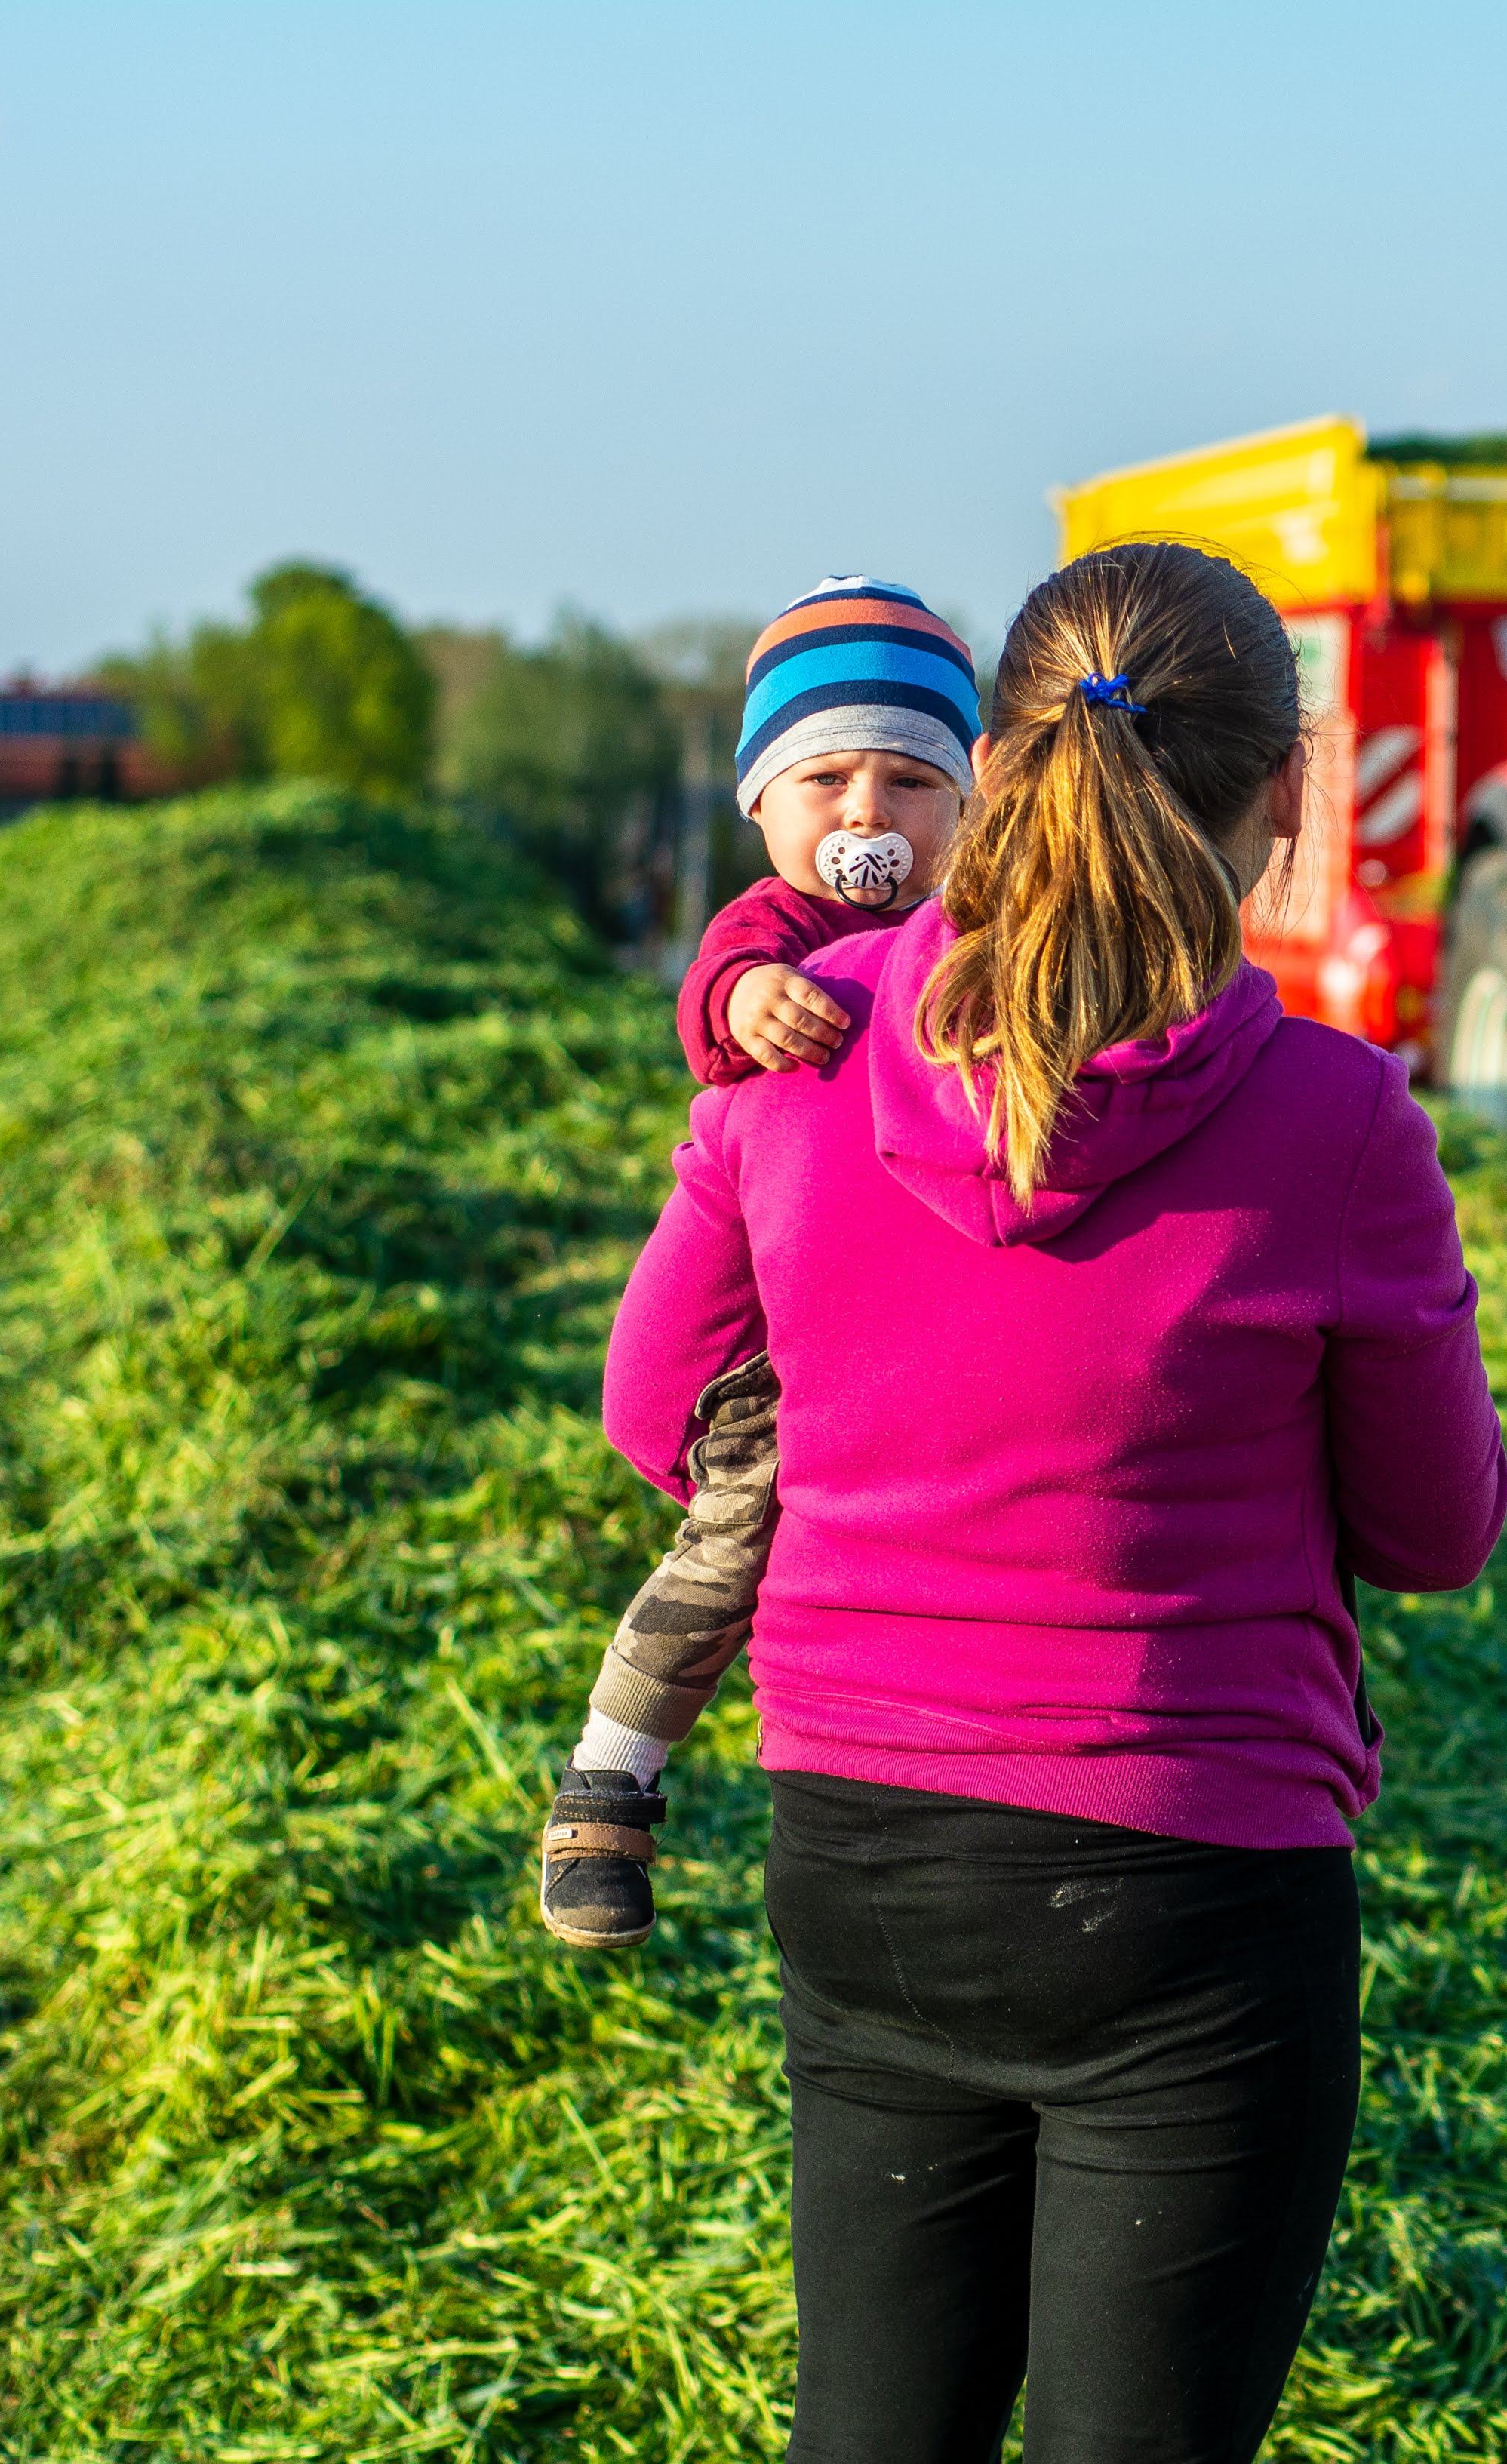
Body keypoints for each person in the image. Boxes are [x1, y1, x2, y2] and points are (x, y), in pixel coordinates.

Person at [595, 540, 1507, 2461]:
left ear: (995, 774)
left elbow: (656, 1407)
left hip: (860, 1861)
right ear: (1285, 794)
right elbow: (1436, 1533)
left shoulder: (793, 1053)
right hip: (1194, 1894)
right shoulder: (1342, 1121)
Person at [536, 575, 983, 1953]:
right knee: (738, 1532)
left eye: (911, 782)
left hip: (861, 1322)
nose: (865, 815)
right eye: (826, 778)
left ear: (967, 805)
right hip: (750, 1357)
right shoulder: (773, 932)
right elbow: (709, 997)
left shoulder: (973, 930)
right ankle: (608, 1781)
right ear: (760, 801)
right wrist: (747, 1000)